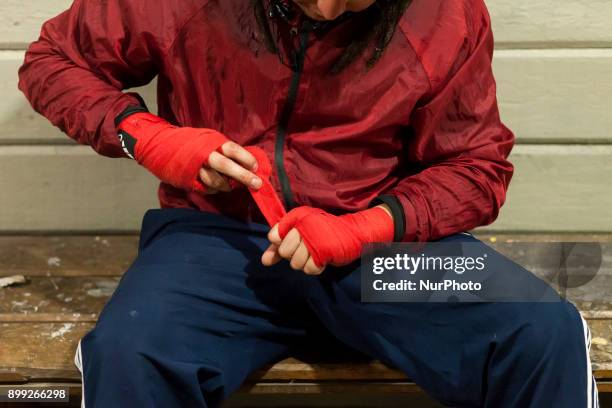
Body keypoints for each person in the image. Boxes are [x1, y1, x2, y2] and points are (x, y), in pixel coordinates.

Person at [18, 0, 598, 406]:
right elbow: (52, 62)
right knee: (127, 353)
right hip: (216, 241)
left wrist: (370, 226)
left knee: (544, 331)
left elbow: (476, 167)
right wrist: (145, 135)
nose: (325, 8)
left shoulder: (446, 13)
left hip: (382, 249)